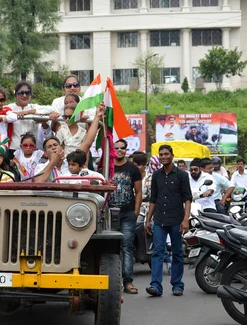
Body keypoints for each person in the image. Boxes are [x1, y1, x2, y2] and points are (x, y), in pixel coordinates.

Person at [145, 145, 192, 297]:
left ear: (172, 156)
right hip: (159, 220)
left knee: (177, 253)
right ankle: (155, 286)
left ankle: (177, 285)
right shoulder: (156, 175)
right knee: (157, 252)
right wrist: (148, 219)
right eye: (161, 154)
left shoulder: (182, 175)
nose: (164, 156)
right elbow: (153, 199)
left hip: (177, 220)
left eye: (166, 154)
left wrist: (186, 219)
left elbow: (187, 198)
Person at [34, 103, 104, 183]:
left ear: (62, 147)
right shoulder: (41, 167)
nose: (53, 147)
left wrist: (97, 116)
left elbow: (88, 142)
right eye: (49, 146)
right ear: (45, 153)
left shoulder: (72, 162)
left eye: (55, 145)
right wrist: (53, 162)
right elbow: (38, 183)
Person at [111, 138, 143, 294]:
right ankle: (111, 281)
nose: (119, 150)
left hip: (127, 213)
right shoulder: (105, 167)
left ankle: (128, 282)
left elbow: (138, 193)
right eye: (116, 147)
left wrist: (136, 212)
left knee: (127, 248)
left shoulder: (133, 169)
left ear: (126, 149)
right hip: (109, 214)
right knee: (109, 248)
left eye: (122, 148)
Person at [6, 81, 53, 150]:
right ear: (15, 95)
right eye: (21, 93)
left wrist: (27, 112)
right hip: (14, 149)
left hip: (32, 149)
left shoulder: (34, 107)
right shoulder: (9, 108)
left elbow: (51, 108)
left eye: (27, 93)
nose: (24, 95)